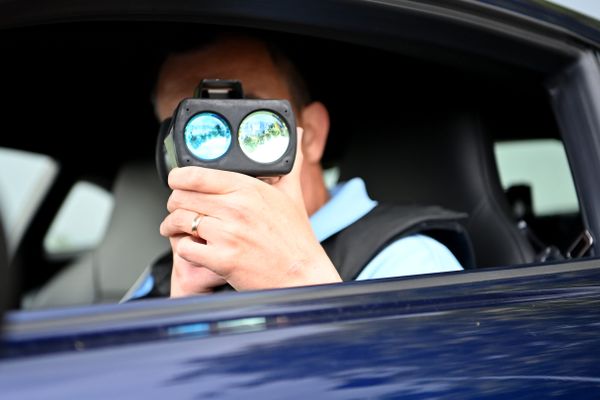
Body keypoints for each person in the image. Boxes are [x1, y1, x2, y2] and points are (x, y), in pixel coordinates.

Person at [129, 33, 466, 300]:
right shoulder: (159, 277)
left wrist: (298, 276)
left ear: (312, 135)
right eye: (195, 132)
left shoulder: (409, 263)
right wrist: (187, 311)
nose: (221, 155)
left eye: (255, 124)